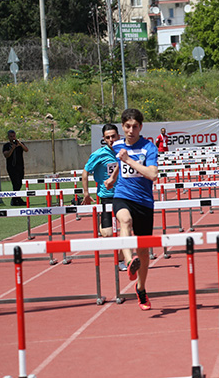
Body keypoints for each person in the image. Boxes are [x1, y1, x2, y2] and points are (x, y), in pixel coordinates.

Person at [106, 108, 159, 311]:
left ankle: (141, 288)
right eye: (127, 126)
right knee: (124, 221)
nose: (131, 130)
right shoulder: (117, 144)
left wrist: (129, 160)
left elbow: (152, 174)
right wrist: (112, 179)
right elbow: (120, 162)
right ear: (122, 127)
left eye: (135, 126)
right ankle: (129, 261)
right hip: (122, 196)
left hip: (144, 202)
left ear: (140, 127)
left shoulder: (149, 148)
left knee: (144, 252)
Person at [81, 124, 127, 271]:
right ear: (104, 139)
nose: (111, 139)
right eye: (108, 137)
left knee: (126, 226)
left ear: (119, 136)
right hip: (107, 198)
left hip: (123, 195)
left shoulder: (125, 151)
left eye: (113, 136)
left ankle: (121, 260)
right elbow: (85, 172)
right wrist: (86, 193)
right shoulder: (99, 154)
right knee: (107, 233)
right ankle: (104, 226)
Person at [2, 130, 29, 206]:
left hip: (20, 166)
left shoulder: (19, 144)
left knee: (19, 183)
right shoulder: (6, 146)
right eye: (11, 136)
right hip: (12, 167)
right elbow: (6, 155)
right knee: (15, 183)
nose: (12, 138)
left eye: (13, 136)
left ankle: (16, 199)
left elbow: (26, 150)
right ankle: (16, 199)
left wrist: (19, 144)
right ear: (8, 137)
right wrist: (12, 149)